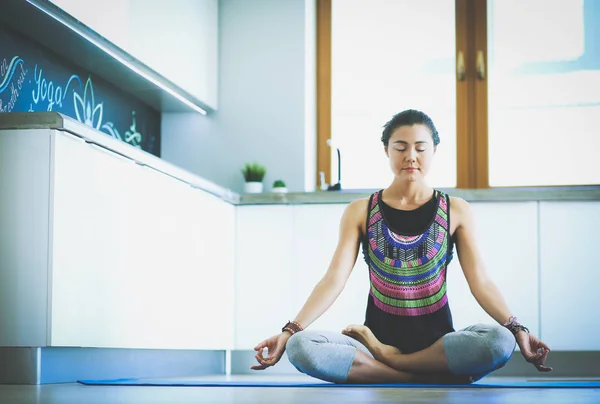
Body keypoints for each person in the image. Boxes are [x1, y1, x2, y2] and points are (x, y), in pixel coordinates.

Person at [251, 109, 552, 384]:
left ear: (434, 151)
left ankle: (390, 364)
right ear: (386, 150)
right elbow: (333, 279)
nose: (411, 156)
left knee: (499, 342)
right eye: (401, 147)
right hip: (372, 342)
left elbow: (481, 282)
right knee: (302, 348)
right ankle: (415, 372)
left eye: (421, 148)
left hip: (438, 346)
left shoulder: (456, 210)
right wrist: (290, 331)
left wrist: (518, 330)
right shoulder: (360, 210)